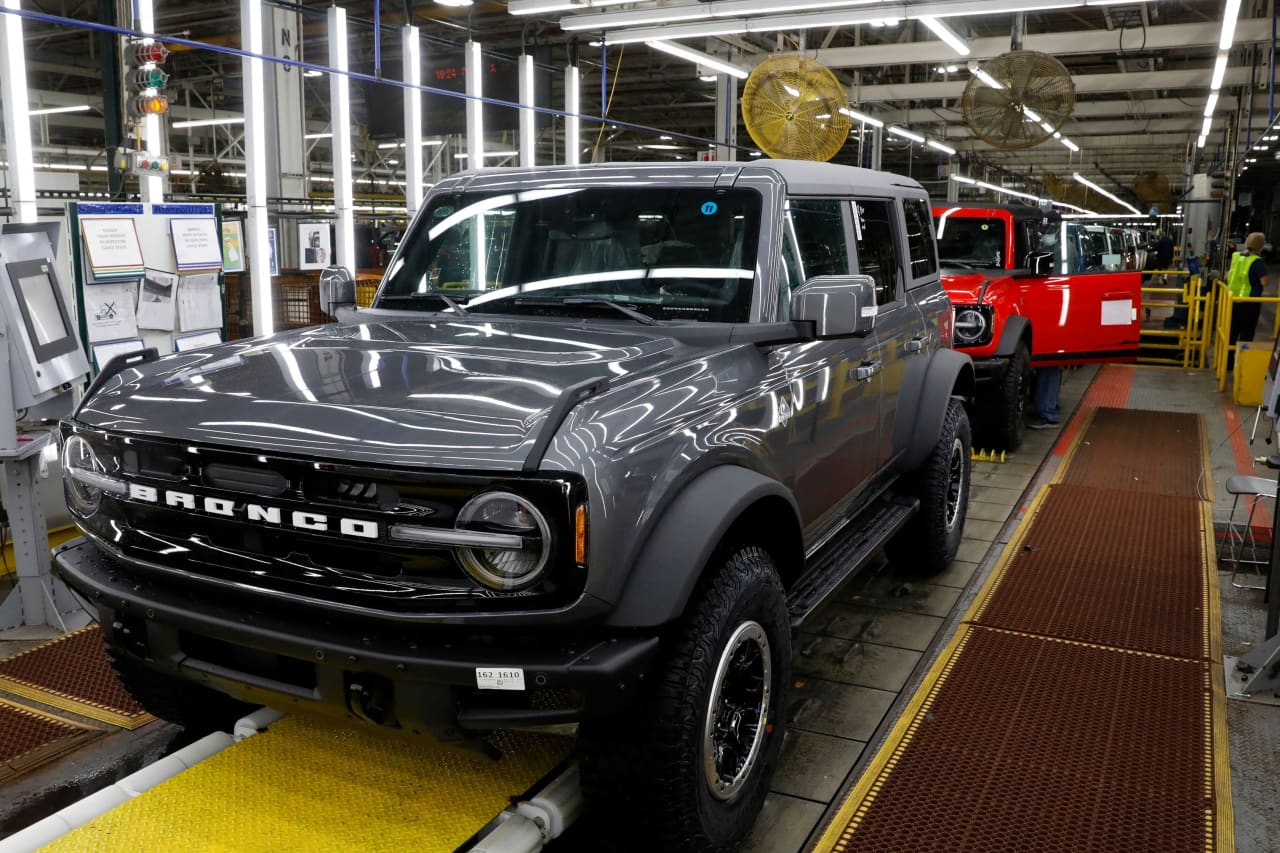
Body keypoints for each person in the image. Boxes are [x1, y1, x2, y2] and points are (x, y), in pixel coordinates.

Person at [1227, 231, 1270, 365]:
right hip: (1250, 302)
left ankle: (1227, 363)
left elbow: (1229, 275)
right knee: (1246, 334)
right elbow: (1264, 282)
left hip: (1232, 301)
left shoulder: (1236, 256)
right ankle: (1241, 364)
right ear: (1261, 246)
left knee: (1231, 333)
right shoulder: (1257, 261)